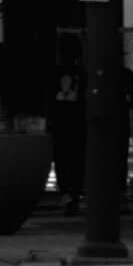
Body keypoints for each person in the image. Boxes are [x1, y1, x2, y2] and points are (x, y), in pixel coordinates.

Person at [49, 47, 88, 217]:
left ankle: (66, 195)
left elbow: (49, 100)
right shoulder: (82, 74)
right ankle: (73, 194)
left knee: (62, 162)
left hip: (61, 125)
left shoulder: (54, 74)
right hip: (77, 124)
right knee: (76, 162)